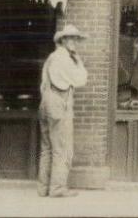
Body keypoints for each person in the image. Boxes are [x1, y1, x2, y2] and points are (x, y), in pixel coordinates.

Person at [38, 24, 89, 198]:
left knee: (47, 148)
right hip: (59, 102)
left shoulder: (51, 57)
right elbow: (81, 79)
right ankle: (57, 188)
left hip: (45, 101)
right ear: (63, 40)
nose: (74, 42)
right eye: (71, 38)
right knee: (62, 147)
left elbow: (43, 83)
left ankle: (43, 187)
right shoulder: (65, 59)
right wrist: (79, 60)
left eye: (76, 38)